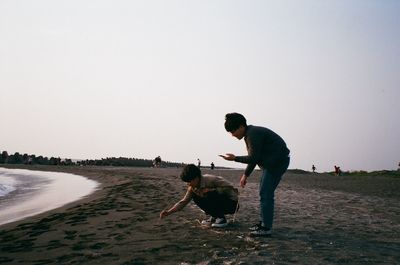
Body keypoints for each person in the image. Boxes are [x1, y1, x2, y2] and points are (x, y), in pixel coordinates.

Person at [220, 113, 290, 237]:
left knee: (266, 194)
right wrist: (245, 175)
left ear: (241, 126)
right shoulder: (250, 133)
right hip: (271, 163)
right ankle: (263, 224)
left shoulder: (253, 134)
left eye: (233, 131)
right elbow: (254, 158)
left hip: (277, 163)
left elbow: (253, 157)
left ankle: (266, 227)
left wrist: (234, 158)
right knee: (264, 193)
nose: (232, 135)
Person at [160, 164, 239, 228]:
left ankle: (221, 218)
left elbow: (232, 188)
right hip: (219, 203)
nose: (188, 184)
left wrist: (212, 190)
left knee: (208, 193)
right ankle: (214, 216)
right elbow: (184, 201)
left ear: (196, 178)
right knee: (196, 195)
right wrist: (169, 212)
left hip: (232, 204)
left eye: (189, 181)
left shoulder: (210, 179)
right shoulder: (192, 187)